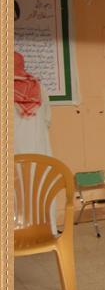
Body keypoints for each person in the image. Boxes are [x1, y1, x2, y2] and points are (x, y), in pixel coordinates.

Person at [14, 51, 57, 234]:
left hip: (14, 153)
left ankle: (16, 234)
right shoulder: (39, 87)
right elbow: (47, 120)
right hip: (39, 152)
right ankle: (46, 230)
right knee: (40, 190)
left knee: (15, 193)